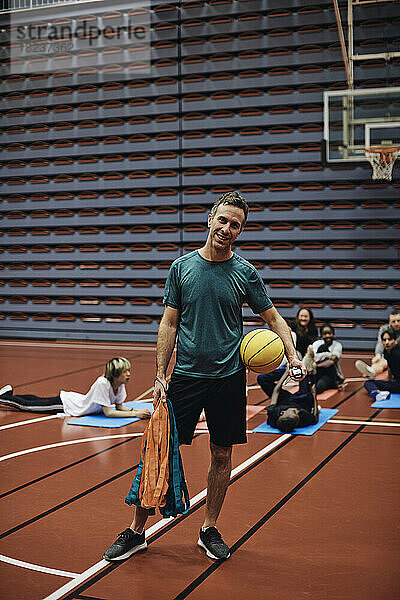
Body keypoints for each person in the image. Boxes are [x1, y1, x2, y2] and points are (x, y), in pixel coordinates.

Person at [103, 190, 304, 563]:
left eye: (236, 225)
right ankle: (136, 531)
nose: (227, 229)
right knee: (160, 451)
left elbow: (274, 318)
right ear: (210, 219)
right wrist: (160, 373)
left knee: (222, 452)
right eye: (223, 220)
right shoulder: (181, 268)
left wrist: (293, 358)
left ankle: (208, 528)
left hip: (229, 378)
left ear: (241, 232)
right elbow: (169, 323)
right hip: (186, 377)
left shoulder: (246, 273)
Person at [0, 357, 151, 419]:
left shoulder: (119, 385)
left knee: (37, 401)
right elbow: (109, 412)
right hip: (67, 405)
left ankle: (8, 394)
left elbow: (119, 406)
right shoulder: (103, 383)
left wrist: (135, 411)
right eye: (126, 372)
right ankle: (3, 398)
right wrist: (136, 414)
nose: (129, 375)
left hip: (73, 399)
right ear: (116, 374)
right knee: (28, 406)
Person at [266, 346, 319, 433]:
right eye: (297, 414)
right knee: (305, 382)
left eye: (294, 412)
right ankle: (306, 364)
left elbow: (276, 391)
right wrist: (314, 396)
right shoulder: (302, 417)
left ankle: (298, 363)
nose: (297, 411)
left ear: (282, 413)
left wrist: (286, 373)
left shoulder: (273, 415)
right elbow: (315, 418)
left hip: (284, 400)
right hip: (302, 400)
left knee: (262, 379)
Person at [355, 310, 400, 379]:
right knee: (381, 361)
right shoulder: (384, 329)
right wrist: (378, 355)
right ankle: (371, 371)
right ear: (389, 322)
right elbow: (380, 342)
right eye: (393, 321)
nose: (396, 323)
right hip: (390, 354)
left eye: (398, 321)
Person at [364, 327, 400, 401]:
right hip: (397, 383)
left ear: (395, 341)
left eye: (389, 339)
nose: (387, 342)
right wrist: (389, 380)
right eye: (384, 340)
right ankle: (377, 394)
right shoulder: (386, 352)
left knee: (369, 383)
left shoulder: (397, 353)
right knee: (368, 383)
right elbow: (390, 367)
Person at [312, 323, 344, 394]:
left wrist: (317, 363)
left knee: (319, 387)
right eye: (324, 334)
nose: (327, 336)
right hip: (317, 372)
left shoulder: (337, 345)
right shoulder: (317, 344)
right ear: (321, 335)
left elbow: (331, 362)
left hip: (330, 374)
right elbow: (313, 358)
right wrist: (328, 355)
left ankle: (335, 383)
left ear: (333, 334)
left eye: (329, 333)